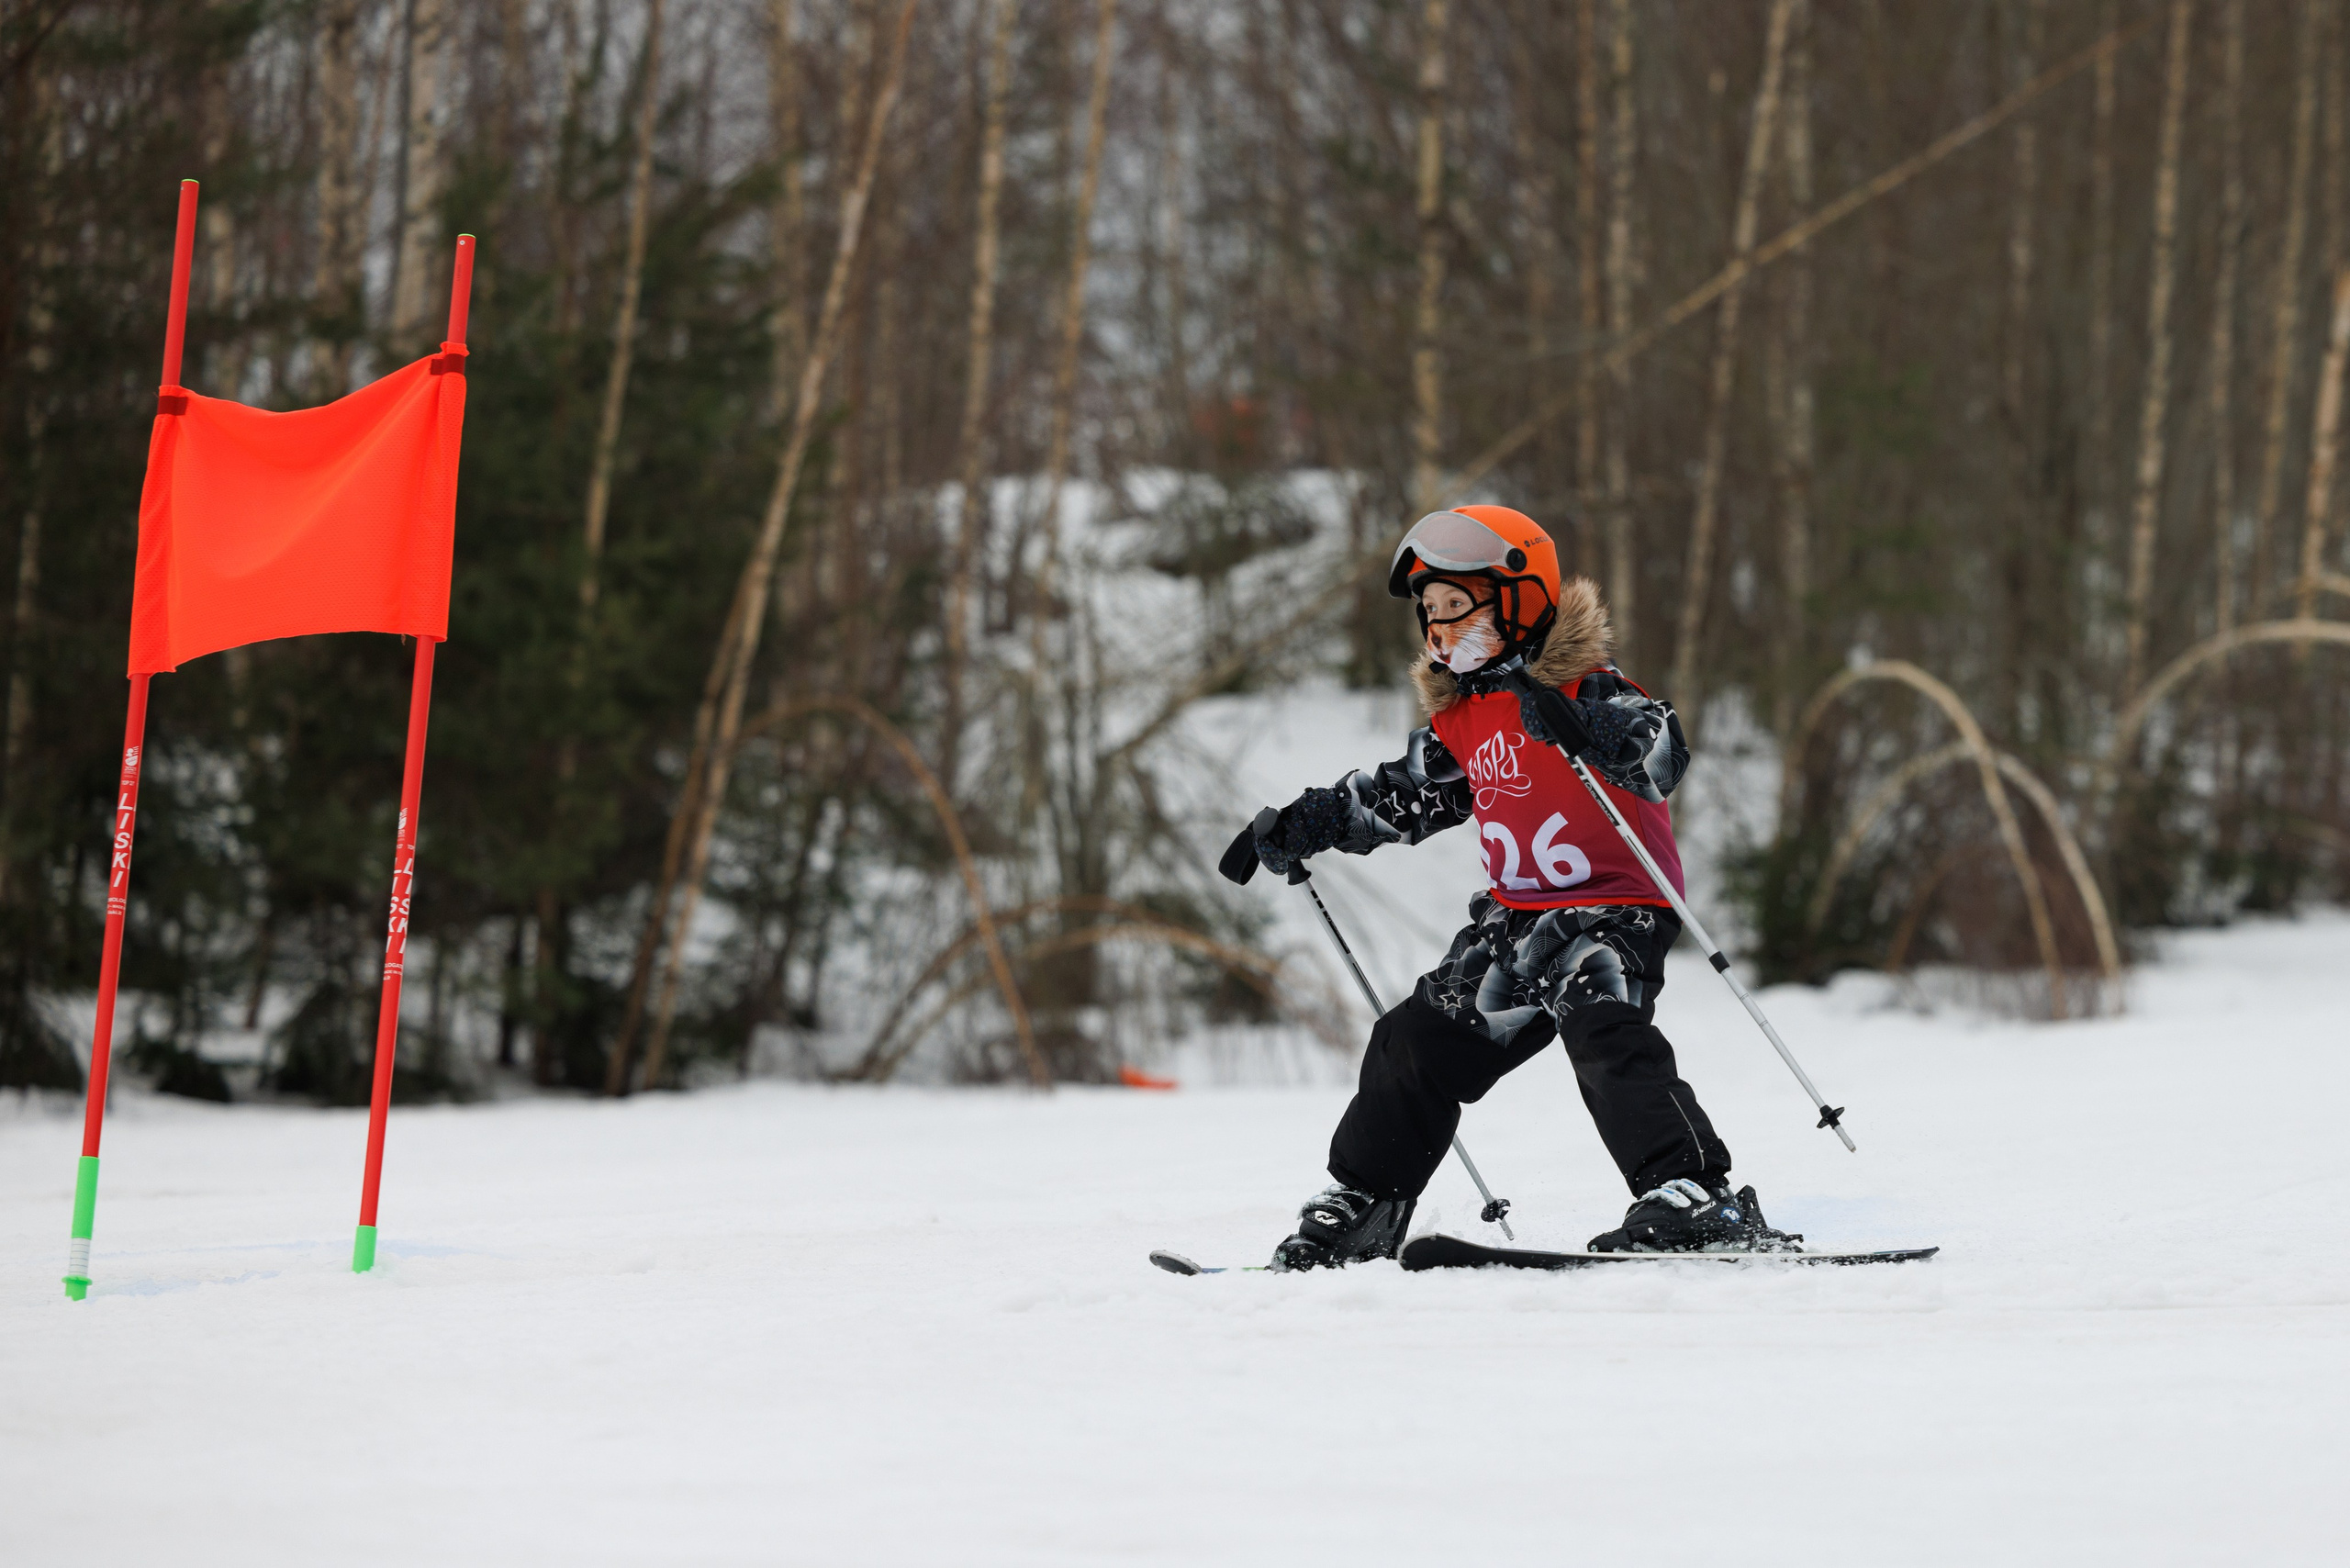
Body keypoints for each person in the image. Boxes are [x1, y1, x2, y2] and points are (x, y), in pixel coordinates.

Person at [1220, 505, 1796, 1269]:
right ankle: (1368, 1201)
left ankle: (1693, 1193)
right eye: (1428, 614)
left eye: (1454, 606)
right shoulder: (1465, 718)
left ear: (1518, 598)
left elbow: (1661, 752)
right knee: (1411, 1040)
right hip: (1514, 921)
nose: (1437, 629)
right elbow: (1401, 797)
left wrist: (1596, 731)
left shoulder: (1590, 689)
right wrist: (1309, 821)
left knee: (1602, 1024)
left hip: (1611, 909)